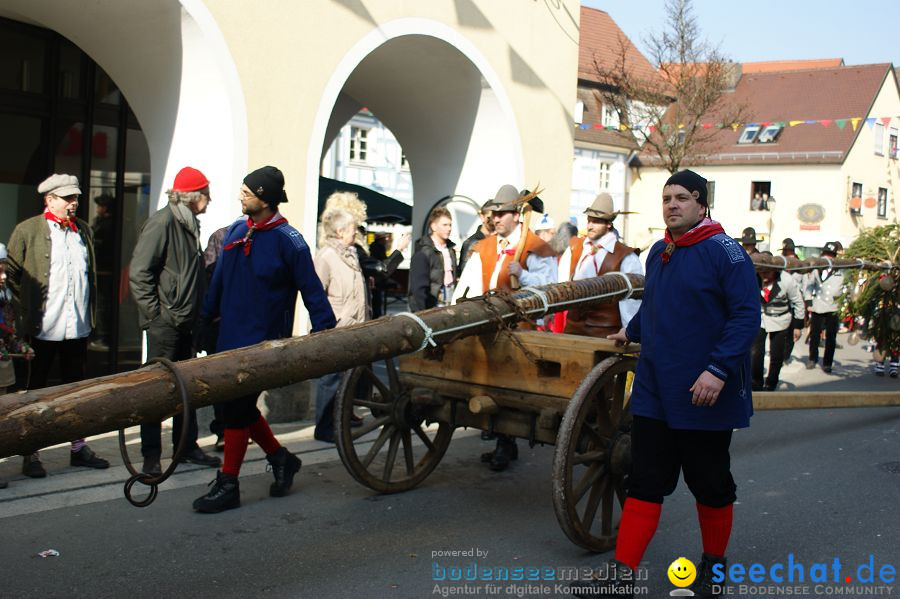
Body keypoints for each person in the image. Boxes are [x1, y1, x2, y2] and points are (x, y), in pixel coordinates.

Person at [577, 170, 759, 599]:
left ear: (701, 203)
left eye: (681, 198)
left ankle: (714, 570)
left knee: (710, 484)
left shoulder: (727, 253)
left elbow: (746, 316)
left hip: (703, 392)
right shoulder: (661, 250)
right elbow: (657, 303)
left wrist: (717, 371)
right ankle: (622, 576)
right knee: (645, 481)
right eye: (666, 198)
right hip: (656, 389)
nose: (672, 205)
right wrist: (632, 330)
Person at [193, 166, 336, 513]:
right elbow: (219, 282)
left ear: (265, 198)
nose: (240, 196)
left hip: (264, 344)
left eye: (246, 192)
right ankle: (281, 458)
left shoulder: (290, 241)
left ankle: (229, 483)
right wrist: (204, 319)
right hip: (229, 339)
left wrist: (324, 331)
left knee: (238, 410)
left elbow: (311, 289)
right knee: (235, 408)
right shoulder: (237, 231)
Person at [6, 174, 110, 477]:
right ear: (49, 199)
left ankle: (78, 448)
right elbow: (9, 276)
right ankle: (30, 452)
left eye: (75, 197)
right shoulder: (27, 231)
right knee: (33, 393)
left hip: (76, 328)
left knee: (75, 391)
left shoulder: (84, 231)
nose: (73, 203)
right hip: (40, 330)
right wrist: (21, 315)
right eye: (66, 198)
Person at [452, 184, 557, 471]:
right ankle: (500, 436)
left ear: (517, 215)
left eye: (502, 213)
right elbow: (468, 283)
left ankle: (506, 441)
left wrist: (522, 275)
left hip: (520, 330)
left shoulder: (537, 248)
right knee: (487, 384)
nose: (495, 218)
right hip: (485, 326)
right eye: (494, 214)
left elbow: (551, 288)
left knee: (509, 388)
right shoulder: (484, 246)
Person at [129, 167, 222, 476]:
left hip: (186, 321)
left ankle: (186, 447)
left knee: (186, 389)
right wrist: (155, 316)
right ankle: (151, 455)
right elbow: (139, 273)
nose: (210, 199)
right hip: (166, 324)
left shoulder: (187, 223)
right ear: (193, 196)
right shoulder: (163, 222)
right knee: (155, 392)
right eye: (206, 193)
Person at [312, 192, 369, 443]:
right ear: (340, 231)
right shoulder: (326, 256)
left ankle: (338, 423)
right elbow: (316, 294)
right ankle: (323, 428)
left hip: (353, 327)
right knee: (330, 380)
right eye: (352, 229)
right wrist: (326, 325)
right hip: (335, 327)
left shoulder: (350, 255)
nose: (355, 233)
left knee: (345, 379)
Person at [558, 192, 642, 338]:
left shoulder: (626, 256)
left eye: (596, 221)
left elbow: (631, 301)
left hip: (606, 334)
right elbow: (561, 286)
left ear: (609, 224)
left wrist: (629, 332)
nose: (589, 226)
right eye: (589, 220)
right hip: (572, 329)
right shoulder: (575, 248)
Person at [0, 242, 35, 488]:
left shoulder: (5, 298)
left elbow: (9, 334)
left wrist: (21, 347)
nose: (3, 276)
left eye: (4, 270)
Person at [751, 253, 805, 391]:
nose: (764, 275)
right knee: (756, 352)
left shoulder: (787, 280)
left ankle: (771, 382)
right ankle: (755, 381)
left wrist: (798, 326)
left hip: (781, 319)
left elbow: (798, 302)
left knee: (777, 354)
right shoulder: (754, 278)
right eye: (761, 272)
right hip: (761, 318)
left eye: (767, 272)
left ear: (775, 270)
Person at [804, 241, 844, 374]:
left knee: (831, 337)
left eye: (831, 255)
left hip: (833, 307)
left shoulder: (840, 270)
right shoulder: (816, 269)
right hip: (818, 306)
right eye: (826, 254)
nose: (828, 258)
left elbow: (846, 287)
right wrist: (809, 302)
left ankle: (827, 363)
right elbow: (809, 286)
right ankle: (812, 358)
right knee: (814, 335)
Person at [408, 207, 457, 312]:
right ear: (434, 226)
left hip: (450, 297)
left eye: (450, 225)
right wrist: (423, 311)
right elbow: (418, 288)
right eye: (445, 225)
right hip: (433, 302)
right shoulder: (424, 251)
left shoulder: (450, 249)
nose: (449, 228)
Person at [367, 231, 411, 318]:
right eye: (386, 239)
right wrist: (399, 249)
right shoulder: (378, 247)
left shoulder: (374, 247)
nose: (387, 241)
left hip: (376, 279)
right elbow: (383, 268)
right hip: (377, 280)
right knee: (377, 304)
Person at [780, 238, 803, 363]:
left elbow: (805, 284)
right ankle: (779, 353)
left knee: (791, 332)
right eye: (786, 252)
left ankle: (786, 355)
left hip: (795, 302)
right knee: (780, 332)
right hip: (783, 302)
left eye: (790, 252)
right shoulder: (780, 265)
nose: (789, 254)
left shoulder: (800, 266)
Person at [457, 200, 494, 277]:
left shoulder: (500, 239)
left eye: (498, 216)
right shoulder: (471, 243)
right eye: (490, 217)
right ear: (482, 217)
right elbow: (465, 274)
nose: (494, 221)